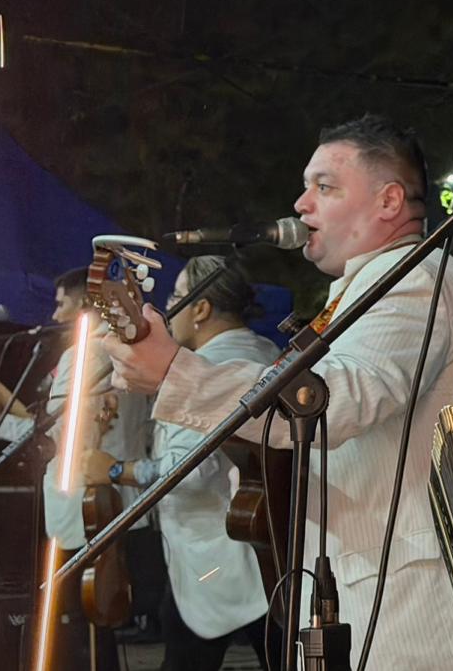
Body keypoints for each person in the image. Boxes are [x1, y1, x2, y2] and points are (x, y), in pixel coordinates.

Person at [103, 114, 453, 668]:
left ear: (389, 201)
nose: (301, 205)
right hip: (374, 598)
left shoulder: (416, 279)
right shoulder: (366, 289)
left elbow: (333, 402)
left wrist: (175, 373)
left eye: (324, 186)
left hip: (420, 616)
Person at [82, 256, 278, 671]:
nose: (168, 310)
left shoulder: (209, 367)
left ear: (201, 308)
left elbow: (188, 472)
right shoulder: (261, 350)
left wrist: (115, 470)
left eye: (175, 297)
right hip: (249, 555)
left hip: (218, 558)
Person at [7, 268, 152, 671]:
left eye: (61, 304)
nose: (54, 315)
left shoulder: (82, 355)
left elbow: (63, 431)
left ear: (86, 305)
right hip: (121, 500)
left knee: (78, 619)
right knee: (99, 619)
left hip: (81, 506)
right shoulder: (129, 349)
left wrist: (5, 424)